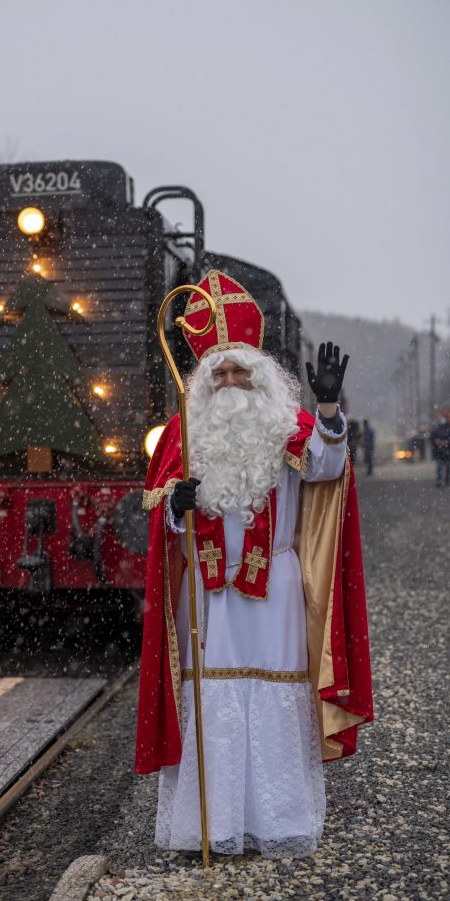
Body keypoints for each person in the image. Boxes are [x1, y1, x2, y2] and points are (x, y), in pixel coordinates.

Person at [136, 270, 373, 858]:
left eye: (240, 369)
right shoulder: (180, 434)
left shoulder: (290, 427)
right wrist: (176, 507)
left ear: (262, 373)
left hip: (277, 592)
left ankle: (278, 822)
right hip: (208, 598)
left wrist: (328, 408)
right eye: (218, 372)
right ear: (202, 379)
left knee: (272, 696)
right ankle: (207, 827)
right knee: (211, 697)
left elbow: (325, 467)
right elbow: (163, 517)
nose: (231, 381)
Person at [430, 416, 450, 486]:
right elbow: (432, 438)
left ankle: (446, 480)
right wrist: (437, 442)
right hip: (439, 451)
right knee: (439, 467)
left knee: (447, 467)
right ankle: (439, 480)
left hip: (447, 451)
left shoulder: (449, 429)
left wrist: (447, 442)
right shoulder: (436, 430)